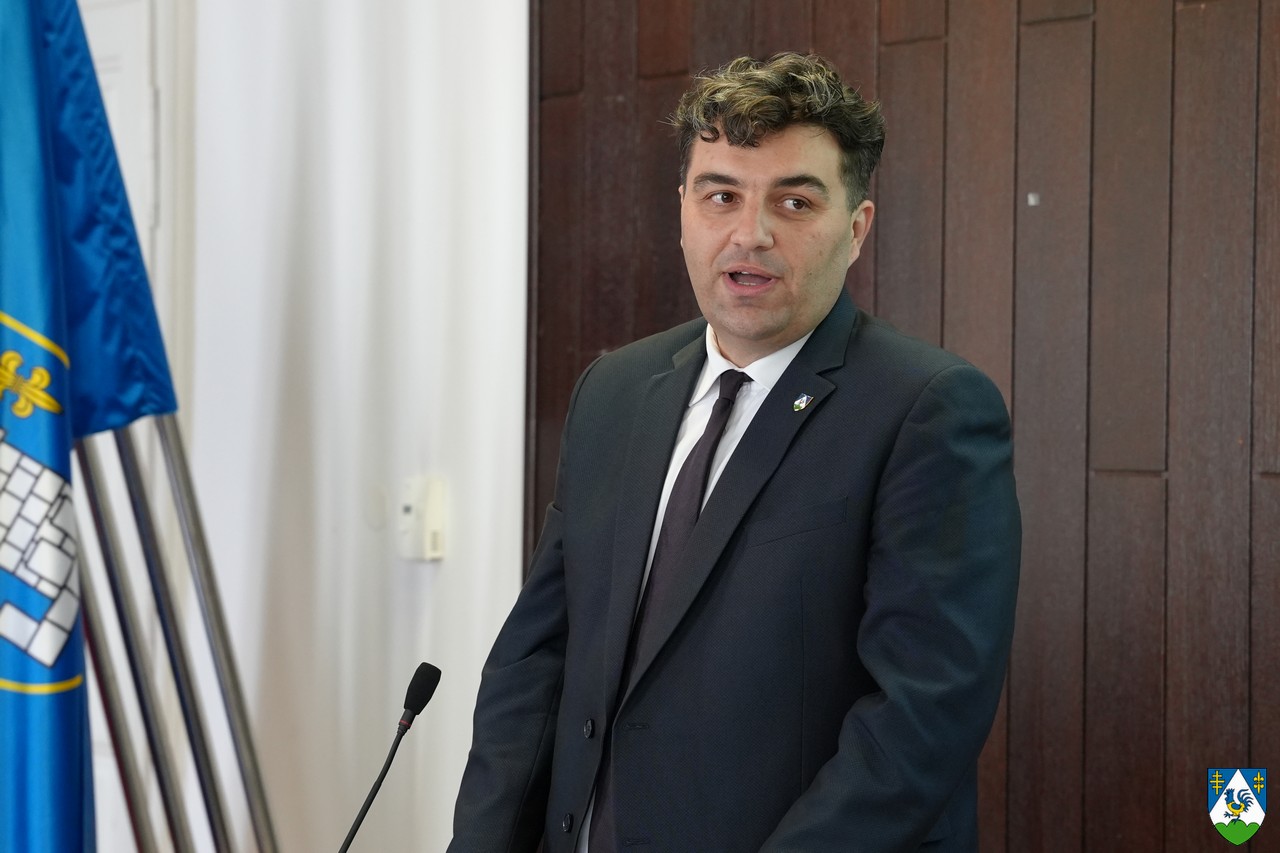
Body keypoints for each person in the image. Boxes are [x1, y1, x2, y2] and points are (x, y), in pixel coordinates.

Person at [448, 52, 1020, 852]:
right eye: (721, 196)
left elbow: (921, 718)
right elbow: (536, 658)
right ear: (682, 210)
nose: (750, 234)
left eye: (794, 201)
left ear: (857, 228)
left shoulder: (928, 410)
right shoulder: (615, 390)